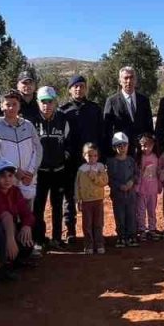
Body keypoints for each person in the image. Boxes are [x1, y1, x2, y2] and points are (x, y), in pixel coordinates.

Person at [60, 74, 105, 241]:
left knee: (94, 195)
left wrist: (101, 159)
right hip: (71, 162)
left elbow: (102, 135)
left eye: (82, 86)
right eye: (75, 86)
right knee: (70, 196)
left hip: (92, 161)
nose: (79, 89)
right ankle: (70, 230)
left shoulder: (95, 109)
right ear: (70, 89)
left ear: (86, 88)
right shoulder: (63, 111)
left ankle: (94, 232)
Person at [31, 86, 71, 249]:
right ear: (38, 102)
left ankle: (56, 238)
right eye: (43, 102)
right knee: (38, 206)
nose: (47, 105)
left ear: (55, 102)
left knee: (57, 206)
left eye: (50, 101)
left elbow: (68, 141)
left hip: (58, 170)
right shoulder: (31, 120)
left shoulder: (62, 119)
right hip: (40, 172)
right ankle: (39, 239)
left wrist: (64, 157)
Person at [0, 90, 43, 204]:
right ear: (1, 106)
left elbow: (38, 149)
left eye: (14, 104)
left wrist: (31, 172)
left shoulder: (28, 125)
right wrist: (14, 171)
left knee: (27, 217)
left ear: (19, 106)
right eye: (7, 104)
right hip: (7, 182)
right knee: (9, 216)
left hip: (28, 180)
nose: (11, 108)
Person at [103, 66, 154, 153]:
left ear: (135, 80)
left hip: (142, 150)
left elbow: (149, 126)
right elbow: (106, 128)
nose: (129, 81)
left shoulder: (144, 100)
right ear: (120, 81)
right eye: (126, 78)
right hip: (121, 151)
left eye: (131, 77)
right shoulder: (112, 101)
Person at [107, 132, 139, 247]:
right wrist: (118, 186)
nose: (122, 148)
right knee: (119, 215)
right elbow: (109, 178)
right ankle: (121, 236)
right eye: (119, 145)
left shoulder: (131, 160)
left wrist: (131, 182)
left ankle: (132, 236)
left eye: (124, 145)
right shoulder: (111, 162)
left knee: (131, 215)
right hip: (118, 195)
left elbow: (136, 174)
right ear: (114, 147)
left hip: (131, 194)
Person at [76, 143, 110, 254]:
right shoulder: (81, 169)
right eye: (89, 156)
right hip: (86, 202)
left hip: (98, 200)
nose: (92, 158)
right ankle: (89, 245)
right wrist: (77, 199)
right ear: (84, 155)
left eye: (95, 156)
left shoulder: (100, 167)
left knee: (98, 223)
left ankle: (99, 244)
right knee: (87, 225)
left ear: (98, 156)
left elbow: (104, 181)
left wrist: (94, 176)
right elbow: (77, 186)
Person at [135, 133, 162, 241]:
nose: (145, 148)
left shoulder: (156, 157)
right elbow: (137, 175)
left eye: (148, 145)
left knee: (152, 210)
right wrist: (137, 188)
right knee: (141, 211)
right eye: (143, 145)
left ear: (153, 145)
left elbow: (158, 172)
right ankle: (141, 230)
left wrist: (159, 186)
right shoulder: (139, 158)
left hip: (153, 190)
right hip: (142, 190)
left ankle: (152, 229)